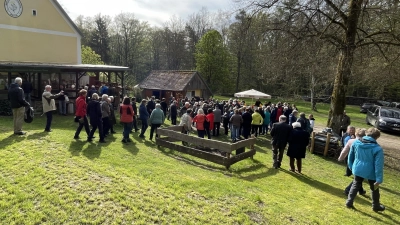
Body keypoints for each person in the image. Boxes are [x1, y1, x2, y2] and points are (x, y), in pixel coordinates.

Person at [346, 128, 385, 211]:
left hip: (358, 168)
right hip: (370, 171)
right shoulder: (378, 149)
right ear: (377, 137)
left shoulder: (356, 142)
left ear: (366, 134)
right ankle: (376, 205)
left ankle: (349, 202)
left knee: (355, 184)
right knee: (374, 188)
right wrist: (379, 179)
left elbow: (350, 156)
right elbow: (379, 165)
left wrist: (351, 166)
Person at [338, 128, 367, 196]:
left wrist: (340, 158)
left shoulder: (351, 141)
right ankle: (348, 190)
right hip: (360, 162)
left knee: (358, 177)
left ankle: (361, 191)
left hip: (350, 160)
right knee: (359, 178)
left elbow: (344, 151)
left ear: (356, 134)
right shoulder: (365, 143)